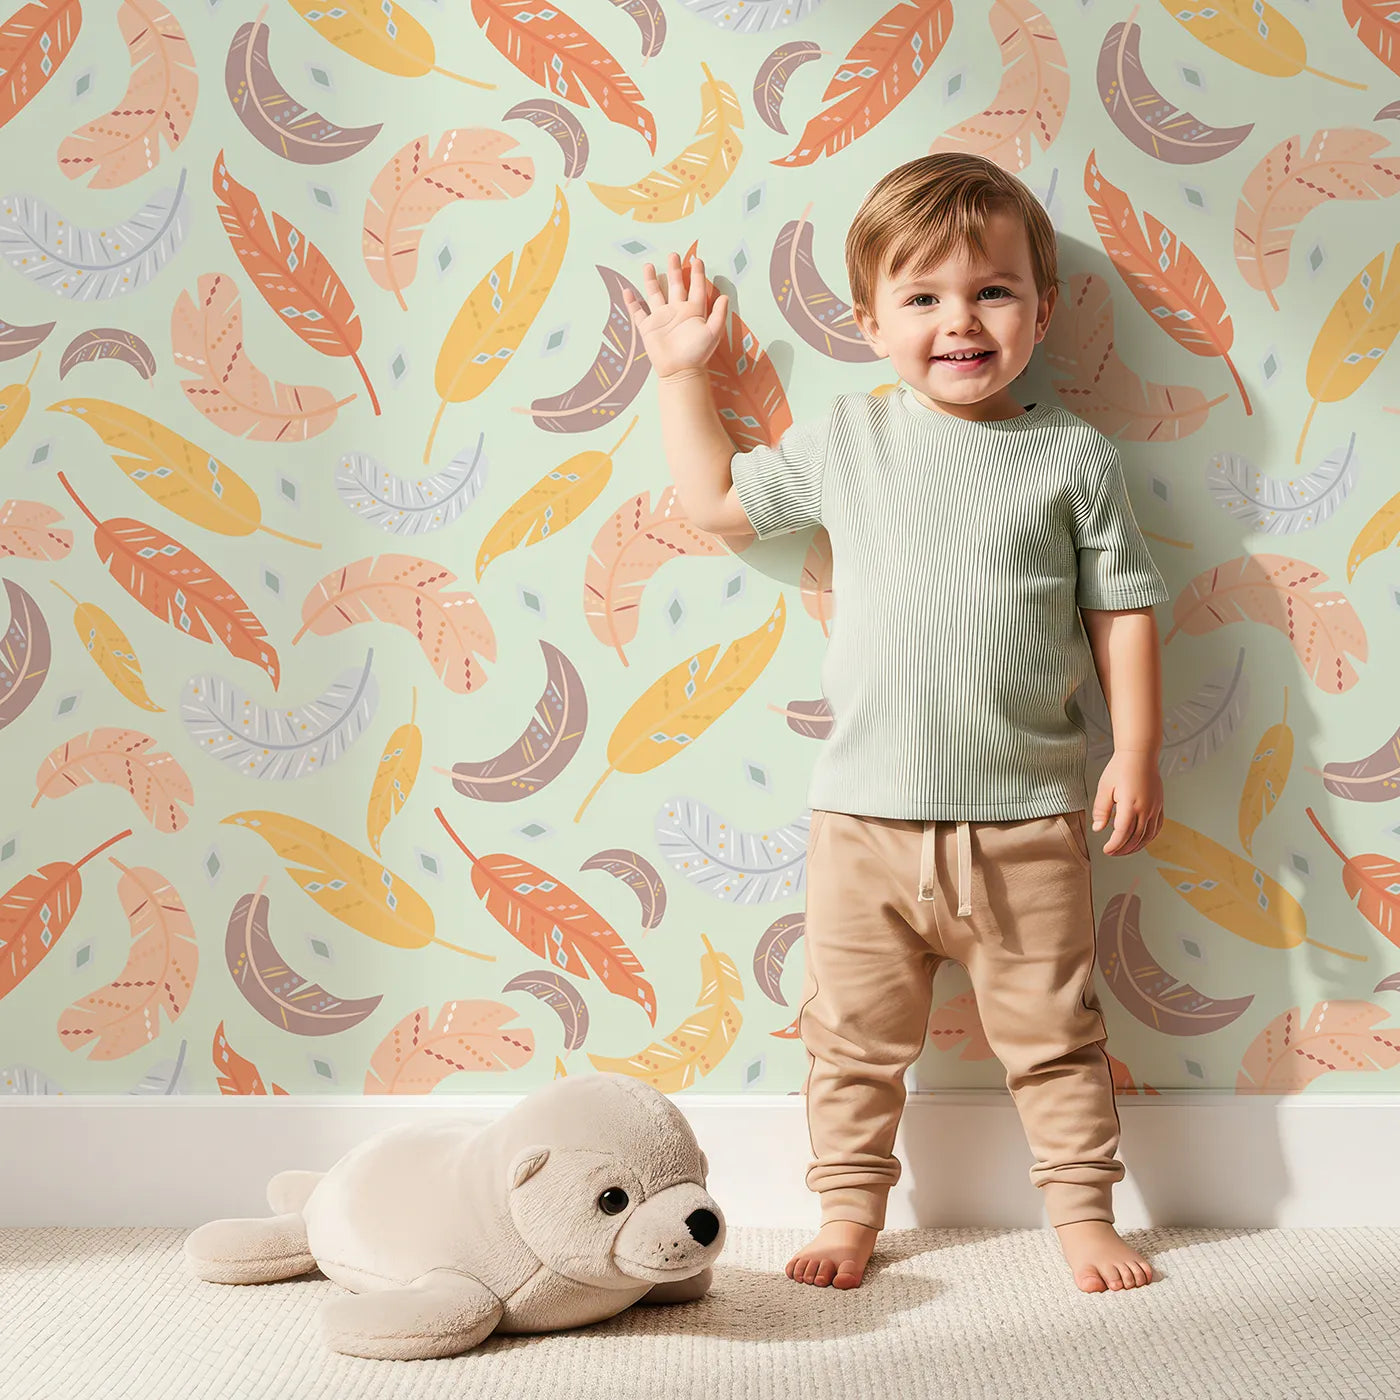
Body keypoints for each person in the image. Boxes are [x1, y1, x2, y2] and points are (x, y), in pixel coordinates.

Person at [622, 152, 1166, 1295]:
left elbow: (1119, 608)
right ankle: (848, 1209)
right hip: (862, 822)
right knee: (849, 1039)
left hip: (1027, 823)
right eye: (921, 297)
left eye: (990, 291)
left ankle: (1081, 1211)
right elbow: (714, 503)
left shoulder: (1074, 457)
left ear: (1041, 309)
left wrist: (1134, 748)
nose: (957, 320)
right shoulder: (848, 440)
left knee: (1055, 1035)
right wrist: (681, 371)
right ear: (870, 323)